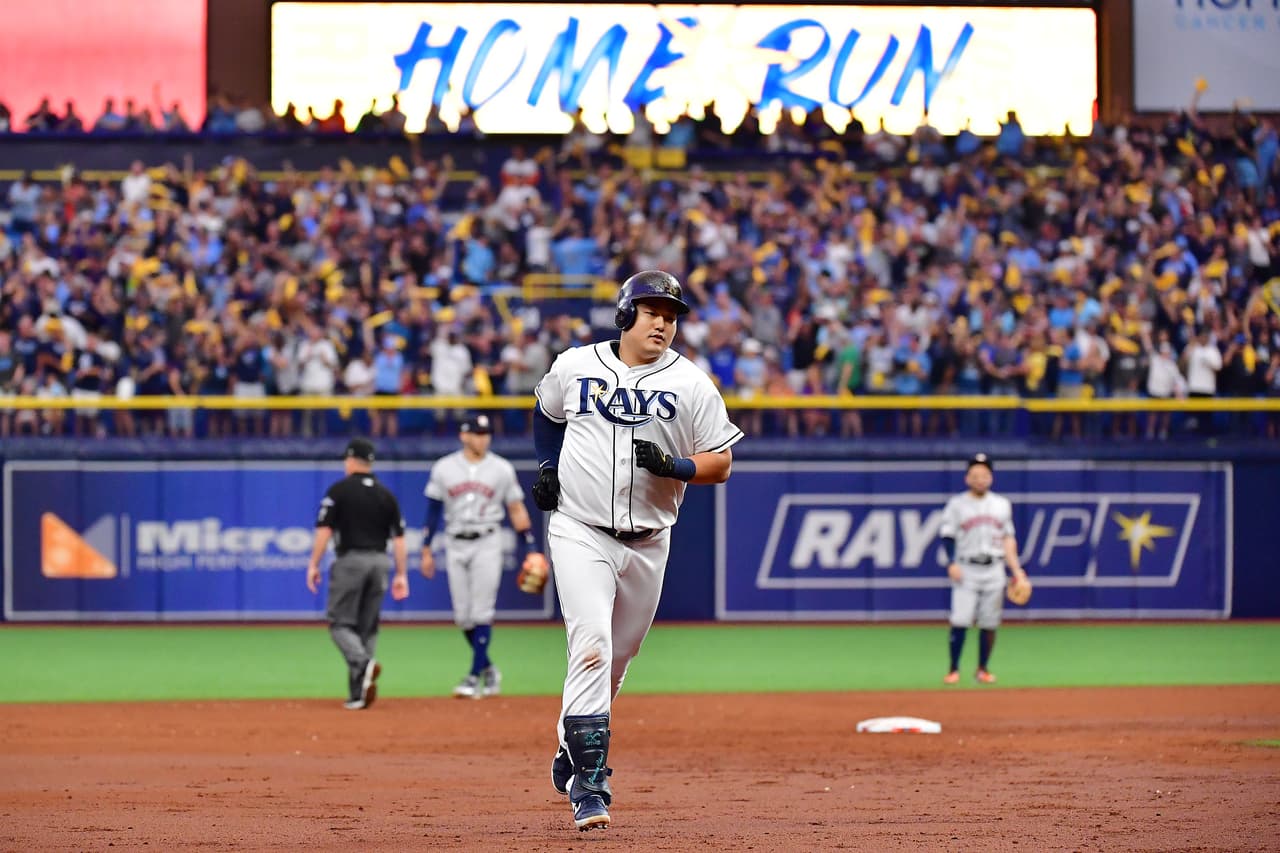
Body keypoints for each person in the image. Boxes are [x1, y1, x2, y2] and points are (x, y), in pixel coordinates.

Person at [530, 270, 743, 831]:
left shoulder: (693, 383)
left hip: (649, 540)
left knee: (617, 661)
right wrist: (548, 466)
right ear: (625, 314)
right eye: (652, 311)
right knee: (593, 645)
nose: (662, 323)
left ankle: (568, 746)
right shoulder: (574, 365)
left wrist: (673, 466)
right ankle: (590, 785)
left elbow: (721, 463)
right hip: (580, 528)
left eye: (670, 316)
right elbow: (547, 415)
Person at [419, 413, 542, 698]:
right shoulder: (444, 467)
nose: (482, 438)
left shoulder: (501, 468)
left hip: (488, 540)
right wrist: (426, 548)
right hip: (454, 540)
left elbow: (516, 509)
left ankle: (474, 676)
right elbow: (433, 510)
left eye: (486, 433)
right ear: (464, 435)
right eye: (477, 433)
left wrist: (531, 547)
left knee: (481, 611)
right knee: (463, 617)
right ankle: (488, 668)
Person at [306, 438, 409, 710]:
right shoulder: (386, 494)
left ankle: (364, 665)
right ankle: (358, 694)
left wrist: (313, 564)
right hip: (380, 562)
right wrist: (401, 574)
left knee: (340, 624)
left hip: (351, 560)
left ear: (351, 460)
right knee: (368, 627)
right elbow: (399, 539)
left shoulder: (339, 491)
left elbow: (324, 531)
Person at [939, 453, 1028, 685]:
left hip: (994, 569)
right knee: (960, 619)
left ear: (991, 477)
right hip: (967, 568)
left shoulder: (1001, 504)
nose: (980, 479)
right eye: (975, 475)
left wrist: (1016, 570)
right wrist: (951, 562)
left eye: (985, 475)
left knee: (989, 622)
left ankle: (982, 669)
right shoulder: (956, 505)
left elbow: (1008, 539)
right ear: (967, 478)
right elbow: (947, 536)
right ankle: (953, 669)